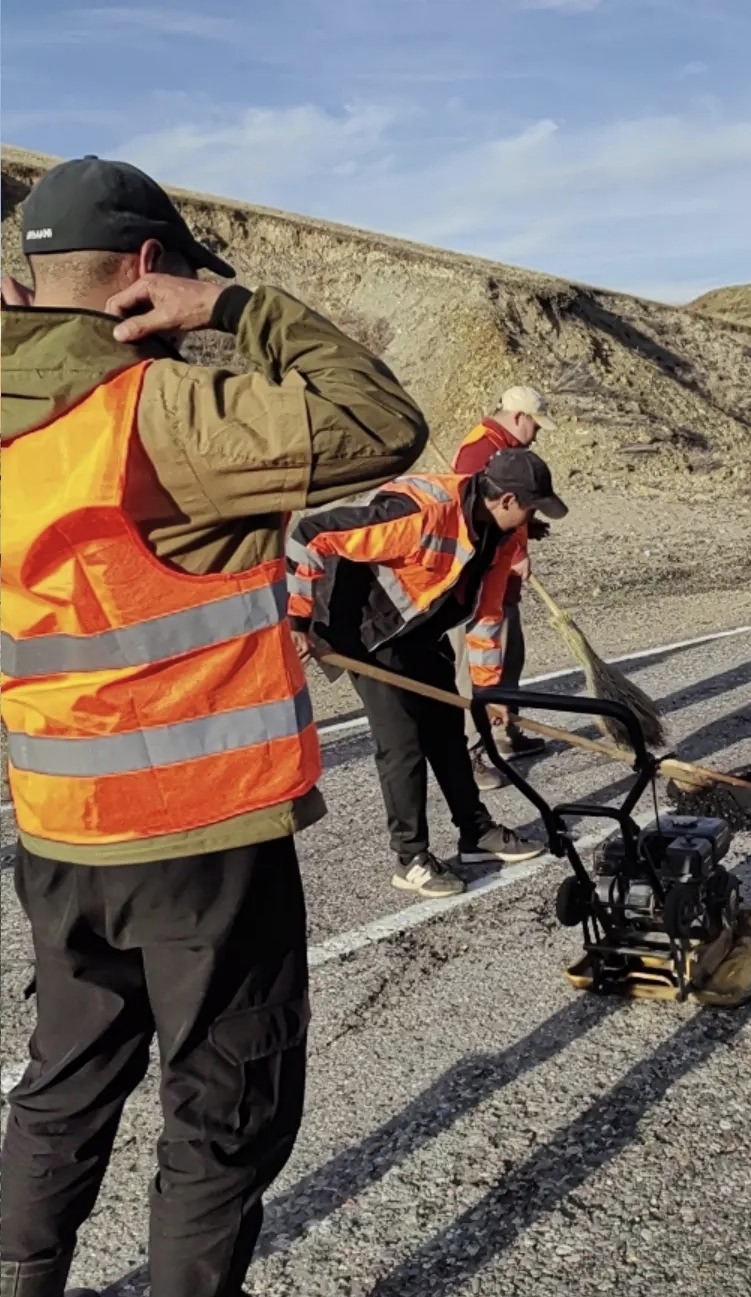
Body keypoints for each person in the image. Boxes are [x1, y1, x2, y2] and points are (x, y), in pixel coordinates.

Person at [0, 156, 428, 1297]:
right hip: (199, 838)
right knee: (223, 1105)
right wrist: (232, 306)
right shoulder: (154, 409)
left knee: (64, 1084)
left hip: (56, 827)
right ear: (146, 270)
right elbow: (382, 422)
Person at [287, 448, 566, 899]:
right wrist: (296, 620)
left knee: (446, 730)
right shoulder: (422, 512)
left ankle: (475, 833)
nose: (534, 519)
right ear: (508, 500)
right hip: (364, 632)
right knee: (403, 744)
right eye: (532, 507)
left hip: (419, 628)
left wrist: (490, 689)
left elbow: (488, 617)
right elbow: (311, 533)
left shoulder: (503, 538)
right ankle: (410, 857)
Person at [450, 385, 558, 791]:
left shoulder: (505, 446)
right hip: (482, 582)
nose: (538, 434)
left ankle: (504, 730)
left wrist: (529, 525)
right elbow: (477, 515)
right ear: (517, 417)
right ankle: (474, 749)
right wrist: (513, 554)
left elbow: (511, 507)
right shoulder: (481, 450)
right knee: (476, 665)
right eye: (536, 425)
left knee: (510, 654)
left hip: (502, 582)